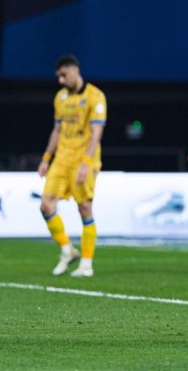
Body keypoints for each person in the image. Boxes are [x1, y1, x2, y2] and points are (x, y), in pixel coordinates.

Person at [37, 54, 107, 277]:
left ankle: (86, 264)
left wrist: (86, 162)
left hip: (84, 159)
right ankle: (67, 250)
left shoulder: (95, 96)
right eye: (58, 76)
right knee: (46, 206)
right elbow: (57, 130)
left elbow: (97, 132)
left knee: (84, 207)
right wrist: (46, 158)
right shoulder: (61, 98)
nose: (60, 80)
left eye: (63, 75)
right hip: (62, 158)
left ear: (75, 71)